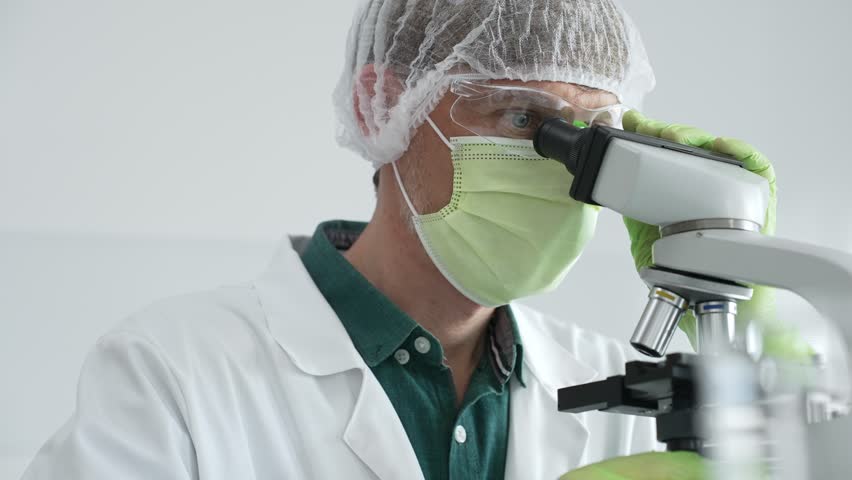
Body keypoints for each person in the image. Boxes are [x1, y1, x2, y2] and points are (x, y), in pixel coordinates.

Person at [22, 1, 797, 479]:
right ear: (384, 105)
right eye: (522, 118)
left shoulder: (613, 389)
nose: (567, 167)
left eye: (596, 136)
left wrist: (759, 316)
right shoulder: (175, 373)